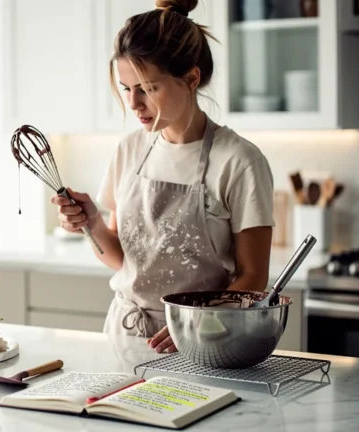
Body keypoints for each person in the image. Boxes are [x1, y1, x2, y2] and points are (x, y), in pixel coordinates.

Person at [51, 0, 275, 353]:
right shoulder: (129, 150)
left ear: (191, 78)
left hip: (202, 341)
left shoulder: (239, 161)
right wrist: (91, 223)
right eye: (126, 88)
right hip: (125, 335)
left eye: (148, 88)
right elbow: (124, 260)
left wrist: (196, 321)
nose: (134, 103)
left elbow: (253, 277)